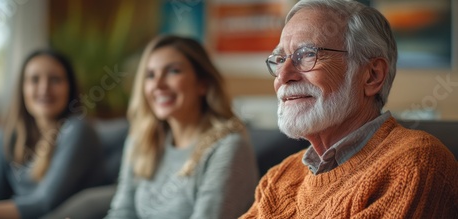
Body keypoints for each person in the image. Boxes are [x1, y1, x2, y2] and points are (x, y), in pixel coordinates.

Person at [241, 0, 458, 218]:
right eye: (280, 59)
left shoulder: (412, 164)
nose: (283, 75)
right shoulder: (280, 177)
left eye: (307, 54)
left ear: (372, 76)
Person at [105, 35, 259, 219]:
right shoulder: (140, 141)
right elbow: (122, 212)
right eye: (150, 75)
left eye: (173, 71)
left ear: (203, 84)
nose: (158, 84)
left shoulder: (228, 148)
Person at [0, 50, 105, 219]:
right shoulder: (7, 134)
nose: (44, 88)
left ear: (69, 88)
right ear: (22, 88)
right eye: (34, 79)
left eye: (55, 80)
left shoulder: (79, 131)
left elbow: (44, 204)